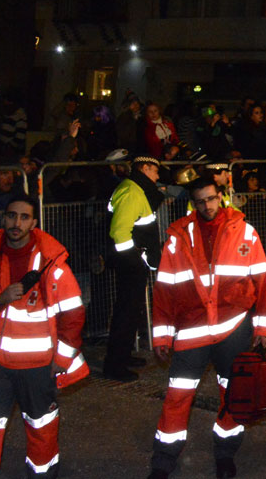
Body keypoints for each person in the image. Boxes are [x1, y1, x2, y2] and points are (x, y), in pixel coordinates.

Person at [148, 177, 266, 479]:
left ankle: (226, 455)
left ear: (222, 197)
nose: (207, 206)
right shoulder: (178, 237)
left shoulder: (245, 232)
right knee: (178, 394)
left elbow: (262, 281)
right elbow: (164, 289)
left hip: (234, 328)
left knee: (233, 394)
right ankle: (164, 460)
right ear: (193, 202)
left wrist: (263, 329)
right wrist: (162, 334)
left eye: (211, 199)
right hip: (192, 332)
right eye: (200, 201)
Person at [0, 197, 88, 476]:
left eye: (24, 218)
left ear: (34, 223)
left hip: (38, 367)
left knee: (42, 430)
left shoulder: (50, 261)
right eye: (12, 216)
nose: (16, 223)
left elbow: (73, 313)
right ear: (3, 219)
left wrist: (62, 357)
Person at [105, 155, 165, 381]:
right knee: (126, 312)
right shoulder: (132, 192)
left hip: (131, 262)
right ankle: (115, 366)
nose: (158, 176)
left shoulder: (133, 189)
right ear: (145, 168)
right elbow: (120, 234)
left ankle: (123, 355)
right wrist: (136, 258)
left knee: (131, 311)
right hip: (130, 263)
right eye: (155, 171)